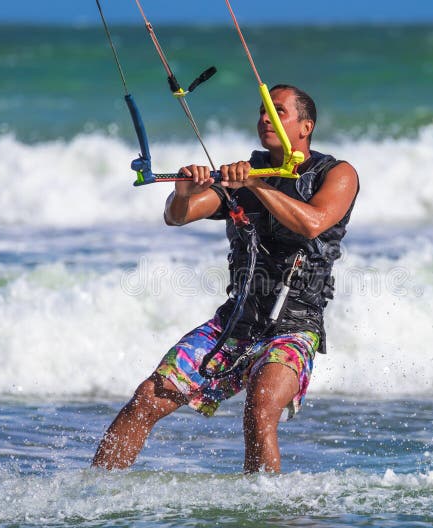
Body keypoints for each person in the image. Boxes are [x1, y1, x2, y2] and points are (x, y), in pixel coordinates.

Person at [92, 84, 359, 473]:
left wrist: (254, 184)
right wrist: (184, 191)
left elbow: (313, 222)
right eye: (262, 112)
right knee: (147, 398)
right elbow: (177, 215)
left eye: (278, 111)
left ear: (306, 126)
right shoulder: (244, 175)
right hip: (235, 322)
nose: (265, 118)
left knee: (260, 408)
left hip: (295, 327)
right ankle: (93, 496)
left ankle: (264, 513)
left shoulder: (336, 173)